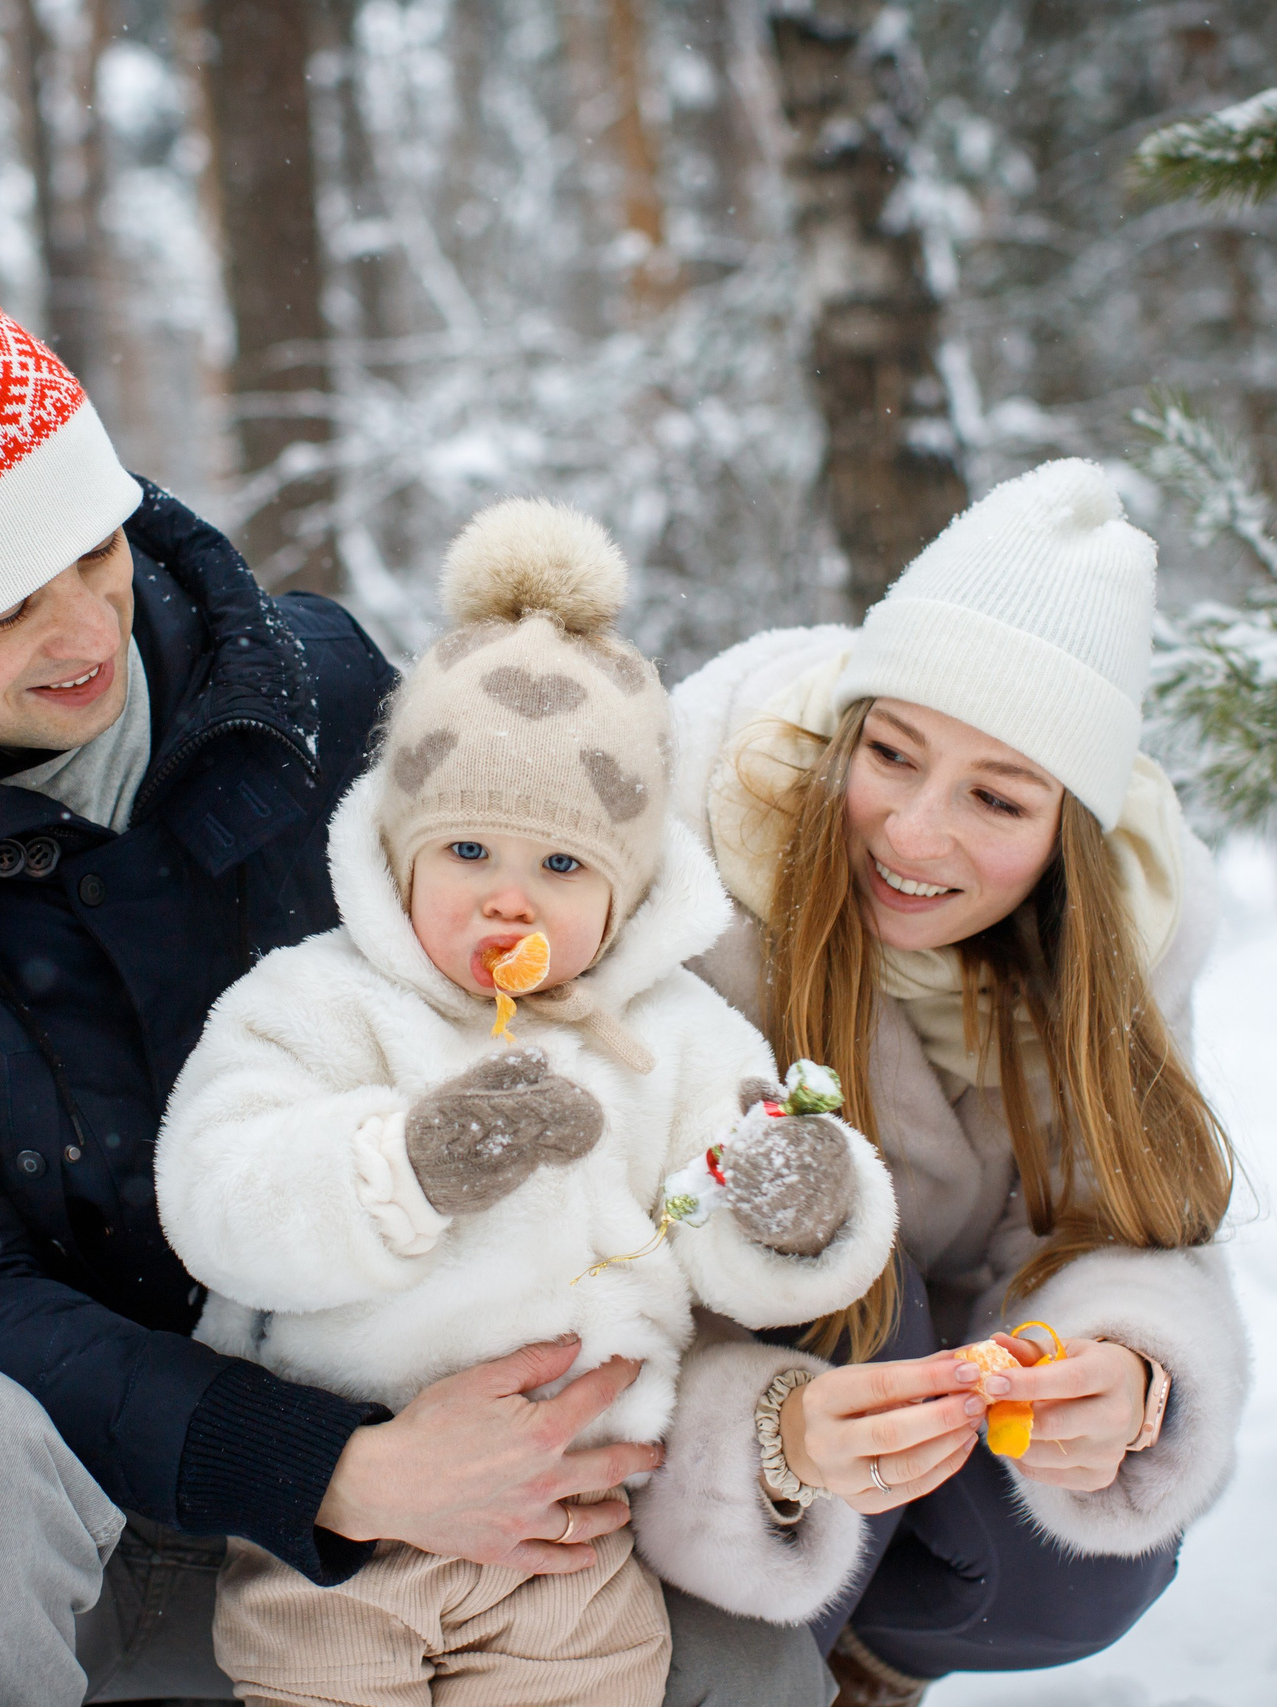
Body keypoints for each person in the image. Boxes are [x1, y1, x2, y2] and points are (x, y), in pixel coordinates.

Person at [0, 271, 830, 1706]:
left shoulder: (312, 684)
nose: (83, 628)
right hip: (32, 1513)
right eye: (2, 605)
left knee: (744, 1659)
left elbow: (553, 954)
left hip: (397, 1412)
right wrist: (339, 1471)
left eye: (92, 546)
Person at [155, 499, 898, 1706]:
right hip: (335, 1535)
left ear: (628, 889)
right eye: (466, 856)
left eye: (560, 867)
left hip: (572, 1547)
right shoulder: (316, 1002)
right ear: (398, 854)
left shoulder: (671, 1038)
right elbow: (216, 1195)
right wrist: (414, 1164)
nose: (508, 902)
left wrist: (793, 1203)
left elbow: (728, 1239)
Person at [643, 459, 1250, 1704]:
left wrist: (1122, 1373)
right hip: (667, 1457)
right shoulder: (689, 872)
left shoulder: (1119, 937)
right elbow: (580, 1262)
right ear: (843, 730)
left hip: (915, 1471)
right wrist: (766, 1439)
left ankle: (864, 1651)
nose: (915, 834)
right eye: (893, 754)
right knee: (850, 1268)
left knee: (1083, 1565)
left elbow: (1125, 1220)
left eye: (995, 797)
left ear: (1069, 834)